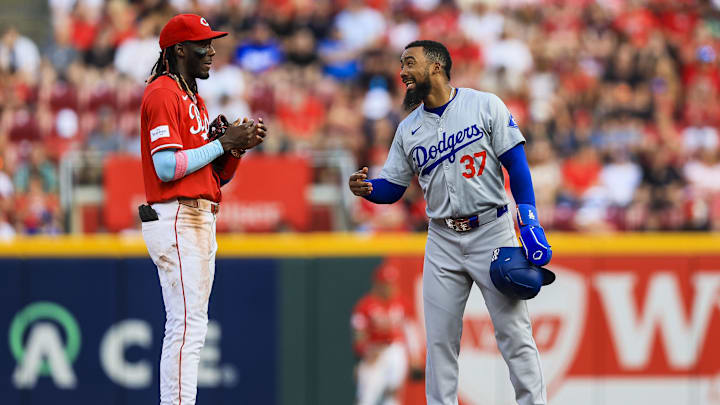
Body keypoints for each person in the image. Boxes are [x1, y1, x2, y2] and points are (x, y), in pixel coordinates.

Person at [348, 40, 552, 405]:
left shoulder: (484, 104)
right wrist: (368, 189)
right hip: (442, 237)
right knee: (440, 343)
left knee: (514, 336)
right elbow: (393, 188)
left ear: (437, 67)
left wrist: (530, 221)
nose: (403, 72)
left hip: (493, 229)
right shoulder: (408, 129)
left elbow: (517, 166)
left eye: (410, 63)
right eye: (402, 64)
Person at [138, 14, 267, 405]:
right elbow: (167, 167)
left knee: (192, 324)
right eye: (203, 44)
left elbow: (214, 178)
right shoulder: (163, 92)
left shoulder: (192, 96)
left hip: (196, 213)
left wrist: (233, 148)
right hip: (177, 215)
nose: (212, 51)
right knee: (186, 326)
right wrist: (221, 142)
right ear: (180, 50)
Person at [351, 263, 411, 405]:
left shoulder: (401, 302)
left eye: (391, 284)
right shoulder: (365, 305)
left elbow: (409, 331)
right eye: (385, 284)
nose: (389, 288)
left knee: (392, 396)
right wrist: (366, 352)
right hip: (375, 352)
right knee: (366, 398)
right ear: (377, 284)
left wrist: (414, 359)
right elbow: (358, 334)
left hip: (395, 351)